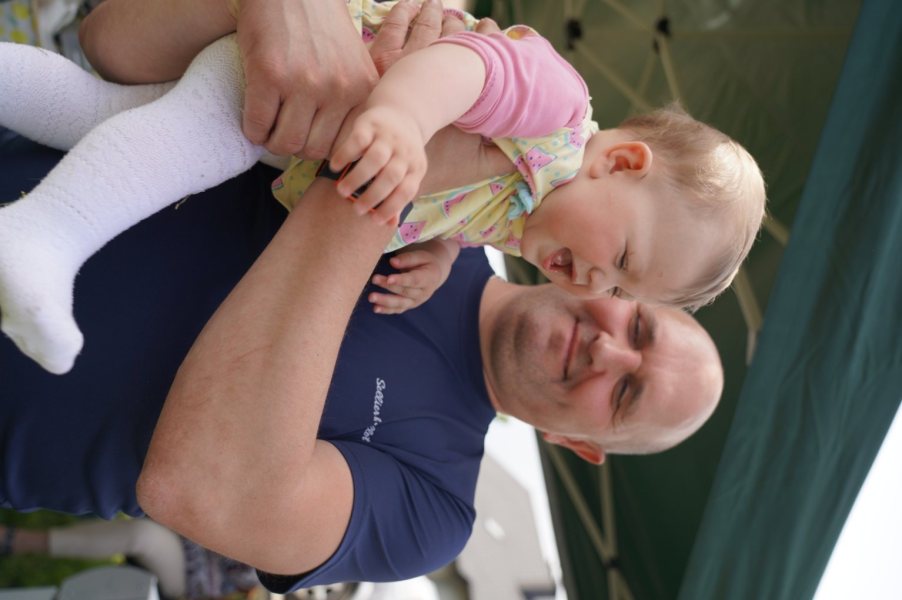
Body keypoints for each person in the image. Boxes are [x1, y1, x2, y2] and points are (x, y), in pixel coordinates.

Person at [0, 126, 723, 597]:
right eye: (637, 325)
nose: (607, 349)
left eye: (624, 393)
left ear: (576, 444)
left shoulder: (434, 507)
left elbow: (195, 488)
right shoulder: (464, 189)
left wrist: (387, 182)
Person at [0, 0, 765, 375]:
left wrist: (442, 251)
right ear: (621, 163)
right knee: (192, 143)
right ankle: (41, 236)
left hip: (294, 117)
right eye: (623, 258)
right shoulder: (557, 116)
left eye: (622, 291)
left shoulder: (522, 213)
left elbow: (457, 205)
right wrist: (401, 115)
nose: (598, 285)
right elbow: (469, 67)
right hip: (317, 65)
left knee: (100, 115)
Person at [0, 518, 260, 599]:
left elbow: (239, 576)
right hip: (187, 528)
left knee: (143, 536)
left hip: (196, 579)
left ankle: (15, 540)